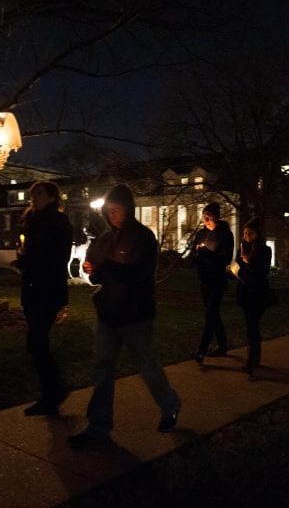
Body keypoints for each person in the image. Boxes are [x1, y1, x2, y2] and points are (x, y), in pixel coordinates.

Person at [69, 185, 181, 447]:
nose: (113, 215)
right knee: (102, 369)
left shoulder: (143, 238)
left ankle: (170, 403)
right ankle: (98, 427)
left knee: (147, 367)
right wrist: (92, 271)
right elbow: (100, 277)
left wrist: (105, 266)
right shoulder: (106, 239)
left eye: (117, 210)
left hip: (135, 315)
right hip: (108, 314)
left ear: (128, 209)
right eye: (110, 211)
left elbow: (136, 275)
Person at [15, 181, 73, 416]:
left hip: (47, 290)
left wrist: (28, 260)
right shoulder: (32, 220)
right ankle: (52, 391)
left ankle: (53, 392)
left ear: (52, 197)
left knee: (36, 342)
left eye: (38, 193)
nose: (34, 197)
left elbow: (57, 256)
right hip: (33, 288)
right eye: (32, 194)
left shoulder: (58, 222)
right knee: (37, 342)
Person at [191, 202, 234, 363]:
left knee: (211, 314)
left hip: (217, 280)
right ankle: (222, 345)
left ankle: (201, 351)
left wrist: (207, 254)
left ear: (216, 216)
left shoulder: (225, 234)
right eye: (204, 215)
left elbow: (225, 259)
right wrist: (196, 257)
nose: (206, 218)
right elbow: (194, 255)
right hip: (204, 279)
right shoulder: (201, 234)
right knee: (212, 313)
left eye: (208, 215)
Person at [234, 218, 272, 375]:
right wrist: (232, 271)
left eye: (250, 233)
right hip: (245, 293)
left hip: (258, 293)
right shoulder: (242, 248)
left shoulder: (264, 250)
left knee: (252, 324)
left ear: (257, 234)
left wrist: (247, 264)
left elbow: (260, 273)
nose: (246, 235)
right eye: (245, 233)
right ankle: (254, 359)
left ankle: (252, 360)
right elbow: (237, 266)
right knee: (250, 326)